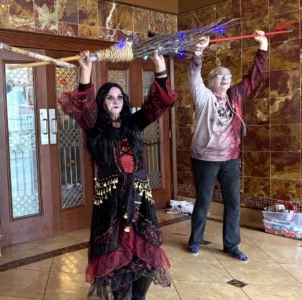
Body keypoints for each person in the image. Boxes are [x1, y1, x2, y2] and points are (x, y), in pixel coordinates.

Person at [58, 49, 177, 299]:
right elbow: (84, 107)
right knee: (116, 253)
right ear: (102, 102)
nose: (116, 101)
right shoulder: (95, 128)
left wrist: (159, 66)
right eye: (110, 97)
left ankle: (139, 296)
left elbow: (159, 103)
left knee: (145, 249)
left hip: (139, 198)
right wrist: (86, 70)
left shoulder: (133, 123)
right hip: (111, 204)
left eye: (119, 97)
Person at [186, 31, 267, 261]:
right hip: (204, 158)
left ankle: (231, 245)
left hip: (230, 158)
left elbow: (253, 78)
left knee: (233, 202)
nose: (225, 78)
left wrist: (262, 47)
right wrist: (198, 53)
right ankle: (195, 241)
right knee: (203, 201)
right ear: (211, 81)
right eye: (220, 75)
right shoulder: (203, 96)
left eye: (228, 75)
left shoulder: (236, 95)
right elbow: (193, 77)